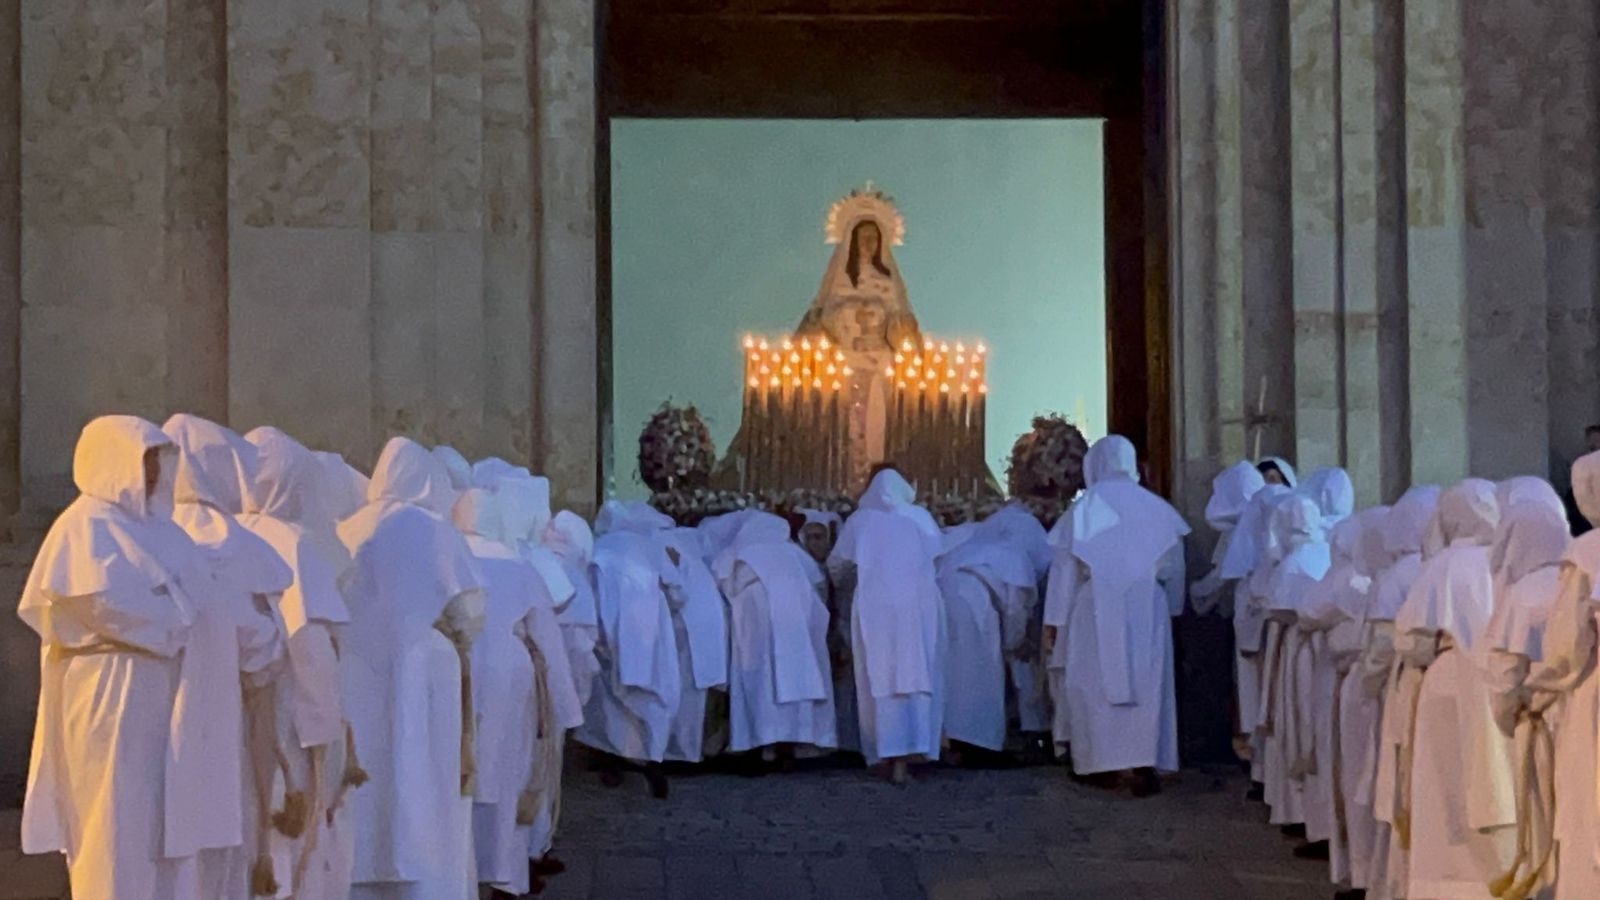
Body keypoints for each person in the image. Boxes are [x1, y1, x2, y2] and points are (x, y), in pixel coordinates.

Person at [19, 416, 212, 899]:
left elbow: (199, 597)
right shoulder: (84, 526)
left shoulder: (163, 531)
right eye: (143, 461)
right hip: (109, 686)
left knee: (163, 822)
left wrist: (176, 615)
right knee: (113, 816)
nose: (151, 474)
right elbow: (107, 605)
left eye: (156, 462)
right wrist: (173, 620)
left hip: (168, 687)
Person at [339, 437, 485, 900]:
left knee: (368, 781)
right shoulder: (435, 531)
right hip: (425, 674)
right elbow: (470, 613)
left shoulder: (345, 528)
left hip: (354, 671)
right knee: (427, 782)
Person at [161, 415, 292, 898]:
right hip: (217, 721)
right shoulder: (234, 546)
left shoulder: (138, 535)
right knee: (214, 855)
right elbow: (260, 650)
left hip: (140, 726)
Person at [236, 425, 359, 900]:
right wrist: (328, 735)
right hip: (287, 712)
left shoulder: (224, 533)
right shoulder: (295, 543)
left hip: (233, 712)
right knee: (290, 838)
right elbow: (310, 646)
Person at [1044, 435, 1189, 796]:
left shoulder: (1084, 510)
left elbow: (1063, 573)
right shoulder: (1157, 509)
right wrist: (1171, 610)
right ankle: (1143, 760)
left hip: (1093, 604)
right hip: (1146, 606)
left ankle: (1100, 763)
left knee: (1092, 684)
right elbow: (1174, 568)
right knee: (1146, 683)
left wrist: (1054, 623)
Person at [1392, 479, 1514, 899]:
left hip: (1447, 682)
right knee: (1498, 790)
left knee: (1444, 794)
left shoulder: (1443, 565)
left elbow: (1413, 641)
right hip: (1501, 685)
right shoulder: (1508, 561)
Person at [828, 466, 945, 784]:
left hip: (875, 608)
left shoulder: (861, 520)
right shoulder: (919, 518)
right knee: (915, 674)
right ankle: (909, 755)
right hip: (919, 609)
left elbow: (837, 566)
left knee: (877, 678)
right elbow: (939, 558)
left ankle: (885, 754)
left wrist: (842, 592)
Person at [712, 510, 837, 764]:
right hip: (797, 620)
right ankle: (789, 745)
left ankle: (760, 743)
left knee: (760, 680)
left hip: (753, 617)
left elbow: (719, 582)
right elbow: (819, 585)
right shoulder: (793, 553)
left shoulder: (737, 552)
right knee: (794, 679)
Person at [577, 501, 684, 798]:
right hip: (652, 636)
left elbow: (590, 592)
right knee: (654, 698)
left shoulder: (600, 550)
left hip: (612, 632)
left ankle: (612, 761)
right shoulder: (651, 549)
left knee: (611, 699)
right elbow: (677, 593)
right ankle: (652, 760)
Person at [936, 505, 1049, 760]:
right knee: (979, 676)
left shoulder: (970, 547)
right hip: (976, 604)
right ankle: (978, 744)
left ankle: (952, 739)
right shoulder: (1015, 558)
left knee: (954, 673)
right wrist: (1015, 642)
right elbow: (1015, 611)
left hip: (944, 597)